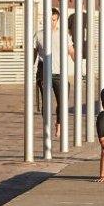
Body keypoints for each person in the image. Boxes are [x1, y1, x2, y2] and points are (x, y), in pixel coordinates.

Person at [34, 8, 75, 138]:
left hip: (59, 73)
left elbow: (71, 51)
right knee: (46, 102)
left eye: (54, 20)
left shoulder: (63, 35)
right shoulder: (38, 35)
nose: (51, 23)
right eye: (49, 20)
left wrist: (78, 63)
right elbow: (33, 54)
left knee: (62, 102)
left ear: (57, 20)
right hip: (44, 72)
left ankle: (59, 124)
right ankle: (47, 127)